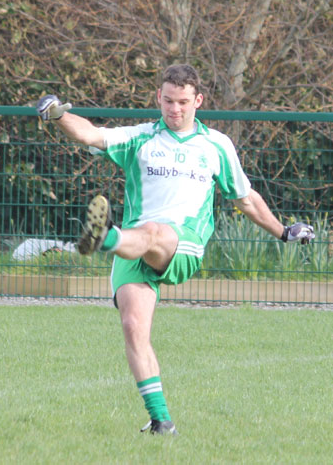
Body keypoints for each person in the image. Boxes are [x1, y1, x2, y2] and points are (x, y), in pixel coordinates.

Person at [36, 64, 315, 435]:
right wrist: (57, 115)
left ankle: (106, 238)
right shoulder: (140, 138)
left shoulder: (216, 145)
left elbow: (245, 199)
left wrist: (283, 232)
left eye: (183, 102)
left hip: (183, 244)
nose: (175, 109)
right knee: (134, 327)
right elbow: (89, 135)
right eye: (168, 101)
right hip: (136, 247)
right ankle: (160, 421)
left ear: (198, 100)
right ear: (158, 98)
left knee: (154, 231)